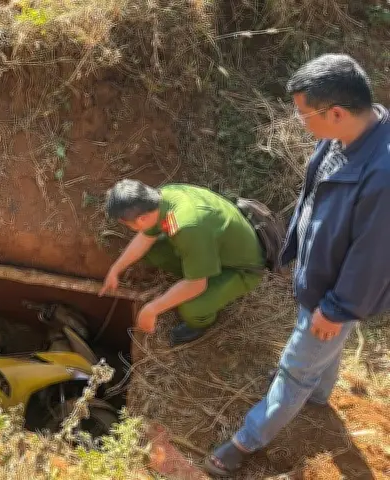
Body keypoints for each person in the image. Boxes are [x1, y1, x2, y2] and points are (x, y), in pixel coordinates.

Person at [204, 54, 390, 476]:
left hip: (336, 291)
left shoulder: (383, 174)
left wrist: (338, 308)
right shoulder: (345, 136)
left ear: (337, 112)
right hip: (322, 278)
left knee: (295, 369)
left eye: (305, 115)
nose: (301, 123)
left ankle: (244, 443)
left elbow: (375, 256)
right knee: (326, 342)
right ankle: (319, 394)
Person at [98, 180, 265, 346]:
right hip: (212, 245)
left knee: (191, 307)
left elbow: (197, 285)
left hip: (240, 268)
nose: (131, 229)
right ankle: (195, 268)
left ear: (142, 219)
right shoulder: (161, 199)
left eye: (128, 225)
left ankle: (200, 323)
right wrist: (115, 269)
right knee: (154, 250)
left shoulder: (188, 227)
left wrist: (152, 309)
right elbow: (145, 238)